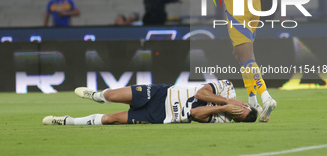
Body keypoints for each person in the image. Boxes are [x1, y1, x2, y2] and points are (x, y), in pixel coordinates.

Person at [42, 79, 258, 125]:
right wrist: (226, 100)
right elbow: (202, 93)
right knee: (110, 97)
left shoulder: (224, 120)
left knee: (109, 119)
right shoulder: (227, 87)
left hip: (160, 116)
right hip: (160, 94)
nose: (234, 112)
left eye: (236, 115)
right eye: (239, 109)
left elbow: (194, 114)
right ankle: (97, 96)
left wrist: (223, 108)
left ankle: (66, 121)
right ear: (244, 104)